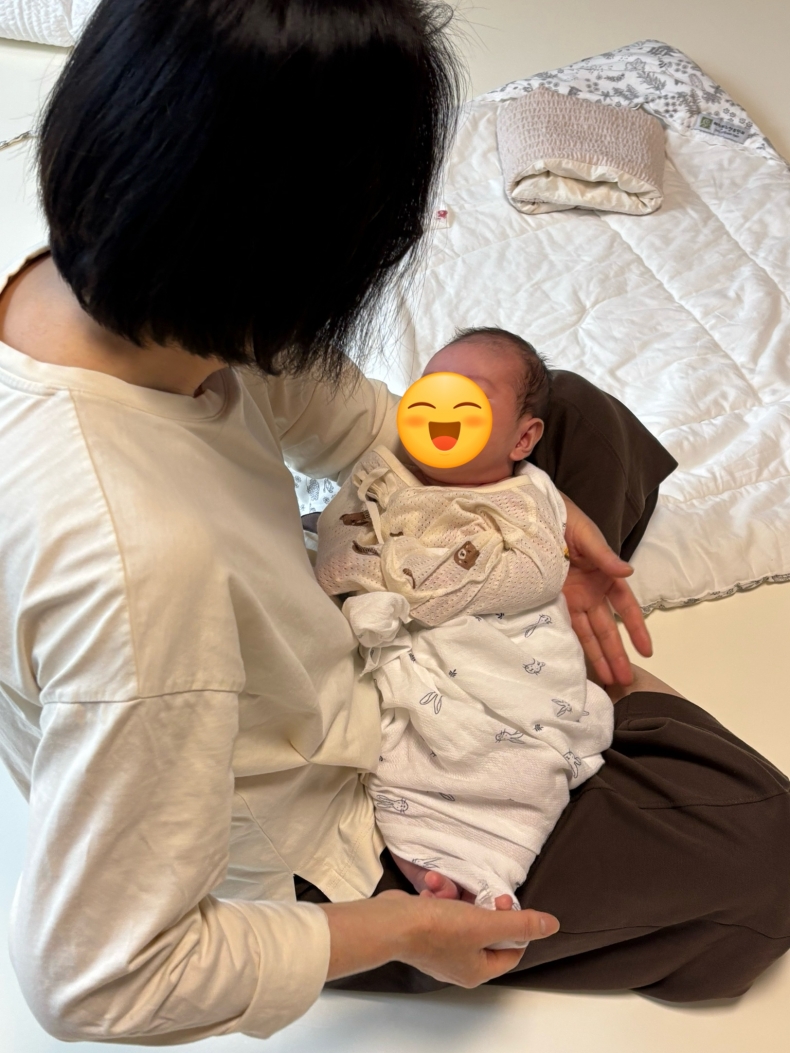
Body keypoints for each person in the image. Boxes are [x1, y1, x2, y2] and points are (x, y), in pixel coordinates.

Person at [0, 0, 786, 1045]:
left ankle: (533, 632)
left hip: (304, 606)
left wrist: (534, 518)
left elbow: (348, 418)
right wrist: (390, 932)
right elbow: (96, 980)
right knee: (762, 847)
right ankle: (551, 717)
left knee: (568, 415)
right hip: (327, 817)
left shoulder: (95, 274)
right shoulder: (139, 575)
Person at [315, 328, 614, 910]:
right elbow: (337, 553)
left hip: (505, 658)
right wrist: (371, 586)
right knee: (403, 749)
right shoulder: (381, 478)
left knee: (521, 758)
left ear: (523, 438)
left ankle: (494, 864)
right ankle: (424, 861)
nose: (442, 406)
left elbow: (536, 573)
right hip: (418, 662)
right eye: (430, 388)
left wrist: (412, 589)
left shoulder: (526, 498)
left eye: (471, 392)